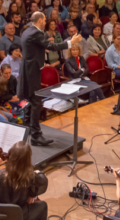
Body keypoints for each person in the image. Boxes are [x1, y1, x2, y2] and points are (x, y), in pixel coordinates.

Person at [20, 12, 81, 146]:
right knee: (36, 101)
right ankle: (36, 135)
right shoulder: (35, 33)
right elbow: (51, 46)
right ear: (40, 20)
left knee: (29, 99)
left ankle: (27, 127)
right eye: (44, 20)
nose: (45, 22)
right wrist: (71, 42)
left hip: (27, 69)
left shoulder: (26, 31)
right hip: (32, 71)